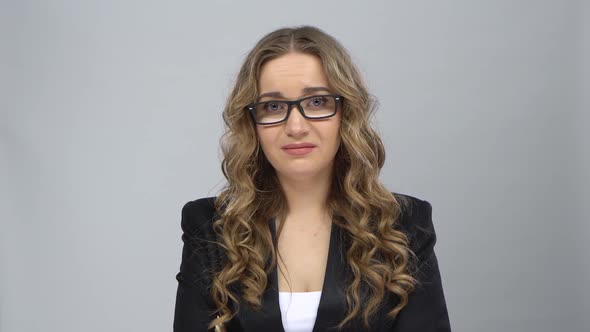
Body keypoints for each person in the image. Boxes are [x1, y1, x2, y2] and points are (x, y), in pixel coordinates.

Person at [174, 26, 451, 332]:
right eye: (273, 106)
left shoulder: (403, 225)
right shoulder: (211, 227)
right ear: (252, 123)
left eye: (317, 102)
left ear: (345, 113)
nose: (296, 126)